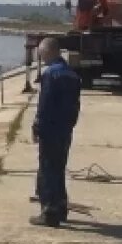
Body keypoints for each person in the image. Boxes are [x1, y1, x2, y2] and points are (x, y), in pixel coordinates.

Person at [30, 37, 82, 227]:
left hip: (50, 128)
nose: (41, 58)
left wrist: (37, 127)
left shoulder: (50, 74)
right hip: (65, 129)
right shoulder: (71, 74)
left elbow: (44, 105)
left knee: (48, 169)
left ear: (49, 52)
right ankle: (61, 208)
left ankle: (49, 212)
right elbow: (76, 104)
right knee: (59, 168)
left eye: (42, 54)